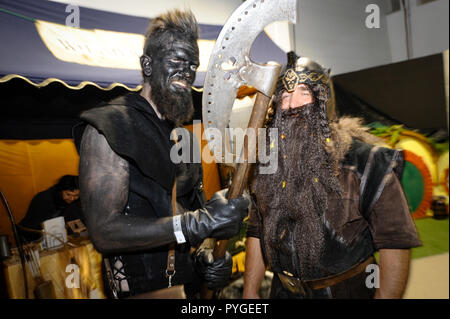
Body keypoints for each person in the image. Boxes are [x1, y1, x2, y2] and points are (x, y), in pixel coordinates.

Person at [73, 9, 249, 299]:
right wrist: (196, 224)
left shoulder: (184, 139)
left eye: (192, 65)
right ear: (148, 65)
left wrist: (205, 256)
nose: (186, 73)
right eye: (176, 61)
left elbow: (194, 222)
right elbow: (104, 232)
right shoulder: (109, 126)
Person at [243, 52, 422, 299]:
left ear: (324, 102)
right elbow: (256, 230)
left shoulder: (368, 163)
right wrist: (250, 292)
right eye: (284, 95)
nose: (292, 104)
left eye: (304, 93)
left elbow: (395, 243)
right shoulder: (267, 167)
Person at [19, 175, 80, 242]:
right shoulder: (44, 200)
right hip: (32, 236)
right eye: (68, 194)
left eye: (76, 195)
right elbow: (38, 227)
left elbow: (75, 220)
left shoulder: (74, 200)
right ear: (60, 190)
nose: (72, 199)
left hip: (56, 236)